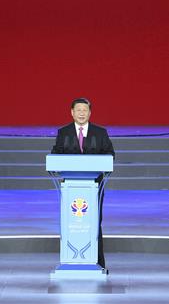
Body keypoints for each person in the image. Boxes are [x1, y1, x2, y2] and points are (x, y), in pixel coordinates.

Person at [51, 98, 114, 271]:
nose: (81, 113)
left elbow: (110, 155)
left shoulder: (100, 132)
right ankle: (70, 260)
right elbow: (55, 155)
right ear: (72, 112)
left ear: (89, 113)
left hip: (94, 187)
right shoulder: (63, 132)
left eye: (84, 110)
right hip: (70, 188)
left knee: (94, 223)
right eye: (78, 110)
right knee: (72, 222)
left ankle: (98, 263)